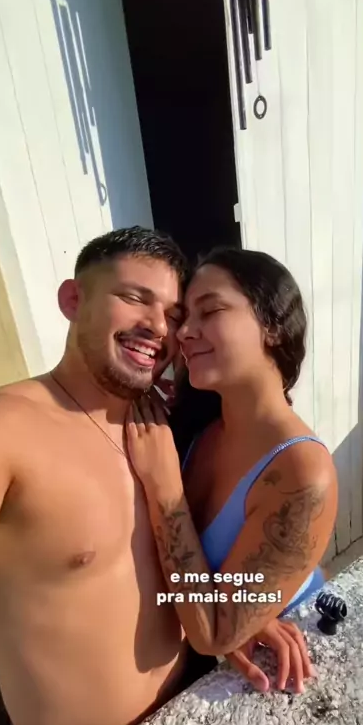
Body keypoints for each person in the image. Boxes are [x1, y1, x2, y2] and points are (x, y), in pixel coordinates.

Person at [0, 227, 309, 725]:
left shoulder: (161, 423)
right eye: (135, 297)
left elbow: (163, 555)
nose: (161, 326)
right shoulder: (0, 431)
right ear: (73, 299)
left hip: (191, 710)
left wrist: (237, 609)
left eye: (174, 313)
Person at [127, 246, 338, 693]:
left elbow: (215, 635)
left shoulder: (301, 471)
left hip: (282, 673)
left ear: (273, 327)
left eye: (211, 311)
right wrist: (246, 609)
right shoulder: (193, 426)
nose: (185, 332)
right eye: (185, 317)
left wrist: (164, 488)